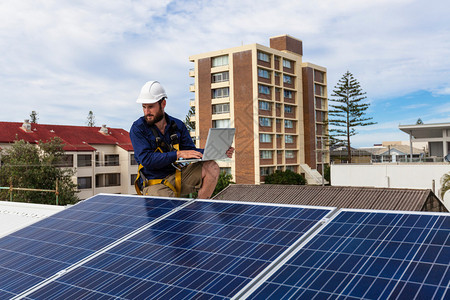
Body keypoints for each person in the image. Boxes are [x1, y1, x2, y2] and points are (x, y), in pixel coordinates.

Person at [130, 81, 234, 199]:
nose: (146, 112)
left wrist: (219, 151)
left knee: (212, 167)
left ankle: (201, 208)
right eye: (144, 107)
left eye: (150, 107)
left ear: (163, 104)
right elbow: (147, 160)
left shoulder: (177, 125)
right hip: (155, 183)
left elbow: (190, 152)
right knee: (170, 213)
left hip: (178, 176)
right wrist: (177, 154)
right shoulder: (138, 128)